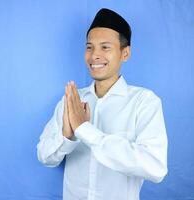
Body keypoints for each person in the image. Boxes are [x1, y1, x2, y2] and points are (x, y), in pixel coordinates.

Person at [37, 8, 168, 200]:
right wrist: (67, 136)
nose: (94, 56)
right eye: (89, 47)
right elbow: (45, 157)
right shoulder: (72, 101)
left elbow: (155, 167)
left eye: (105, 47)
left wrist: (85, 130)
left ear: (125, 53)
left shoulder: (144, 102)